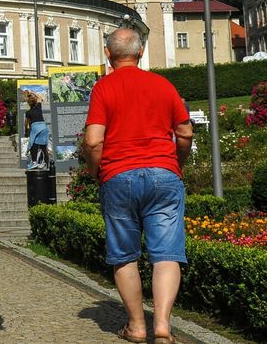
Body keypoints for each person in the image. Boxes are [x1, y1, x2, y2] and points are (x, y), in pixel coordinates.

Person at [82, 27, 193, 344]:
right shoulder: (163, 85)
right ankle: (162, 325)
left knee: (124, 255)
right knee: (167, 254)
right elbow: (185, 133)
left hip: (119, 175)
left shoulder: (103, 88)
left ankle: (137, 326)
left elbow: (93, 141)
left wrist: (96, 171)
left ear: (108, 54)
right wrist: (175, 163)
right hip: (164, 174)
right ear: (141, 52)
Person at [23, 91, 49, 170]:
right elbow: (40, 98)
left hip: (35, 128)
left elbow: (26, 124)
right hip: (44, 127)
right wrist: (33, 92)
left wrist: (26, 132)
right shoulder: (38, 107)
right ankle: (46, 164)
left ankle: (34, 162)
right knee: (43, 146)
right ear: (35, 102)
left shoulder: (28, 112)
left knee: (32, 145)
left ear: (29, 104)